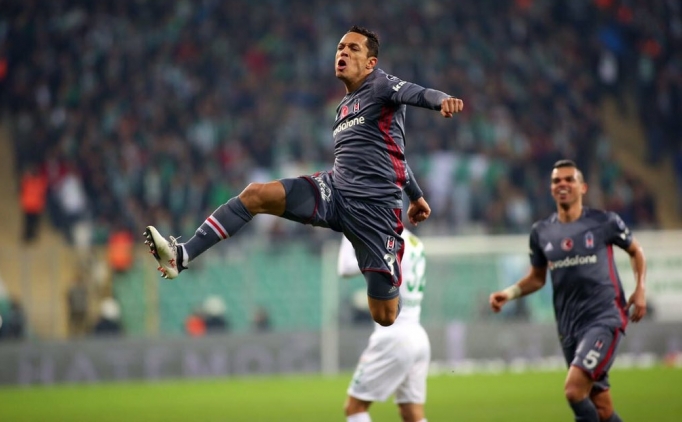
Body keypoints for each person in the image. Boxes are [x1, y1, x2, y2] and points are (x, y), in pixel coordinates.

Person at [143, 25, 463, 327]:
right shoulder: (342, 107)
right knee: (255, 194)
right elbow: (394, 154)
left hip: (375, 211)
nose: (343, 52)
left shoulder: (381, 85)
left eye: (353, 48)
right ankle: (182, 255)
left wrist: (442, 101)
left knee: (385, 316)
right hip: (335, 192)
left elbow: (420, 94)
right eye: (340, 47)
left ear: (370, 63)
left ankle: (397, 273)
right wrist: (417, 196)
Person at [489, 159, 647, 422]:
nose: (562, 184)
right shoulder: (541, 232)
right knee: (602, 409)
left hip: (604, 318)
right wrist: (510, 293)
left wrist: (640, 288)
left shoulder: (604, 222)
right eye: (556, 181)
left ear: (582, 187)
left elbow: (636, 251)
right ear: (551, 189)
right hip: (569, 326)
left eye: (569, 179)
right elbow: (537, 278)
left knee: (574, 390)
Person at [339, 228, 430, 422]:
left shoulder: (386, 240)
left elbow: (345, 268)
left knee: (354, 408)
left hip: (394, 337)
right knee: (412, 414)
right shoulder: (416, 242)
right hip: (417, 335)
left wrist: (347, 224)